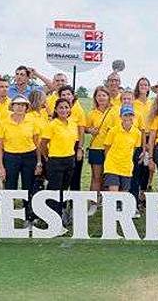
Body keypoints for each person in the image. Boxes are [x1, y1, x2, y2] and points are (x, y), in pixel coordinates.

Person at [0, 95, 41, 226]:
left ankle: (29, 217)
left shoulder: (32, 122)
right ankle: (8, 219)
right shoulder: (3, 122)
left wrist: (39, 162)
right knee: (10, 187)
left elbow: (37, 144)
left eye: (23, 105)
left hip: (29, 157)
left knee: (29, 187)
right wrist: (1, 167)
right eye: (17, 104)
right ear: (12, 106)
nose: (20, 107)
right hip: (10, 157)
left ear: (27, 107)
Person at [40, 98, 80, 230]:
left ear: (70, 109)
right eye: (61, 107)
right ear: (56, 110)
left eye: (66, 107)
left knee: (63, 190)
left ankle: (60, 216)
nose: (64, 110)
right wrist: (47, 157)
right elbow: (43, 144)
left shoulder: (73, 124)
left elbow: (74, 142)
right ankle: (51, 220)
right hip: (55, 161)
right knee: (54, 191)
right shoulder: (52, 124)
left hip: (69, 160)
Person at [85, 87, 113, 214]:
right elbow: (85, 128)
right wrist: (90, 130)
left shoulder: (114, 111)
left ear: (108, 97)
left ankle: (107, 202)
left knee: (108, 177)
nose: (101, 98)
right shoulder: (92, 113)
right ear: (95, 98)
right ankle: (93, 203)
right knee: (96, 177)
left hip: (111, 149)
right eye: (99, 96)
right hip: (96, 148)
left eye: (104, 95)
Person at [103, 105, 142, 193]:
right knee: (113, 192)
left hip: (126, 166)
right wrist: (109, 161)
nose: (128, 117)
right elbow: (107, 147)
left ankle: (120, 207)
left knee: (124, 193)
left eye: (130, 115)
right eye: (125, 115)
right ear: (120, 117)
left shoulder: (137, 133)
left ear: (133, 117)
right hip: (112, 165)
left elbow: (134, 149)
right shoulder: (113, 131)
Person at [57, 86, 86, 192]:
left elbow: (81, 132)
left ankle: (74, 204)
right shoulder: (58, 109)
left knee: (75, 176)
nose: (66, 97)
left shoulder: (78, 110)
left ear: (73, 96)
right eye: (63, 95)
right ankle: (62, 204)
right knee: (62, 177)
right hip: (60, 146)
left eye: (68, 94)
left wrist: (79, 149)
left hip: (75, 145)